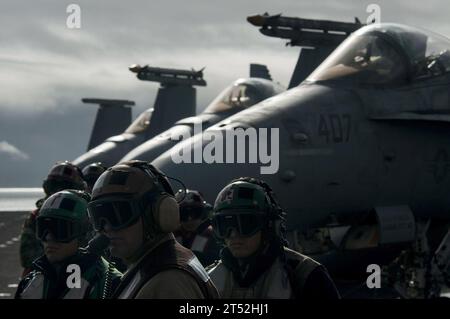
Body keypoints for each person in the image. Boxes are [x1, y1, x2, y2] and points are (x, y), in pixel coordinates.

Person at [87, 160, 219, 299]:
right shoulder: (151, 266)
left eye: (120, 213)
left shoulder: (168, 282)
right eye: (100, 216)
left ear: (157, 214)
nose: (107, 227)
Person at [207, 177, 340, 299]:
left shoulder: (306, 276)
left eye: (246, 223)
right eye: (225, 225)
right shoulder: (208, 278)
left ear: (269, 226)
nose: (233, 235)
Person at [15, 190, 122, 299]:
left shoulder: (108, 283)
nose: (48, 237)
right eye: (43, 228)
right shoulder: (30, 282)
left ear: (84, 234)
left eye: (60, 230)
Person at [19, 161, 87, 276]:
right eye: (54, 186)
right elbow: (27, 256)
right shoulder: (37, 216)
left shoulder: (85, 217)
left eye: (64, 187)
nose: (57, 193)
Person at [174, 189, 220, 267]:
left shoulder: (212, 235)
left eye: (195, 212)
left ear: (204, 212)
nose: (190, 219)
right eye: (184, 213)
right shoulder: (172, 236)